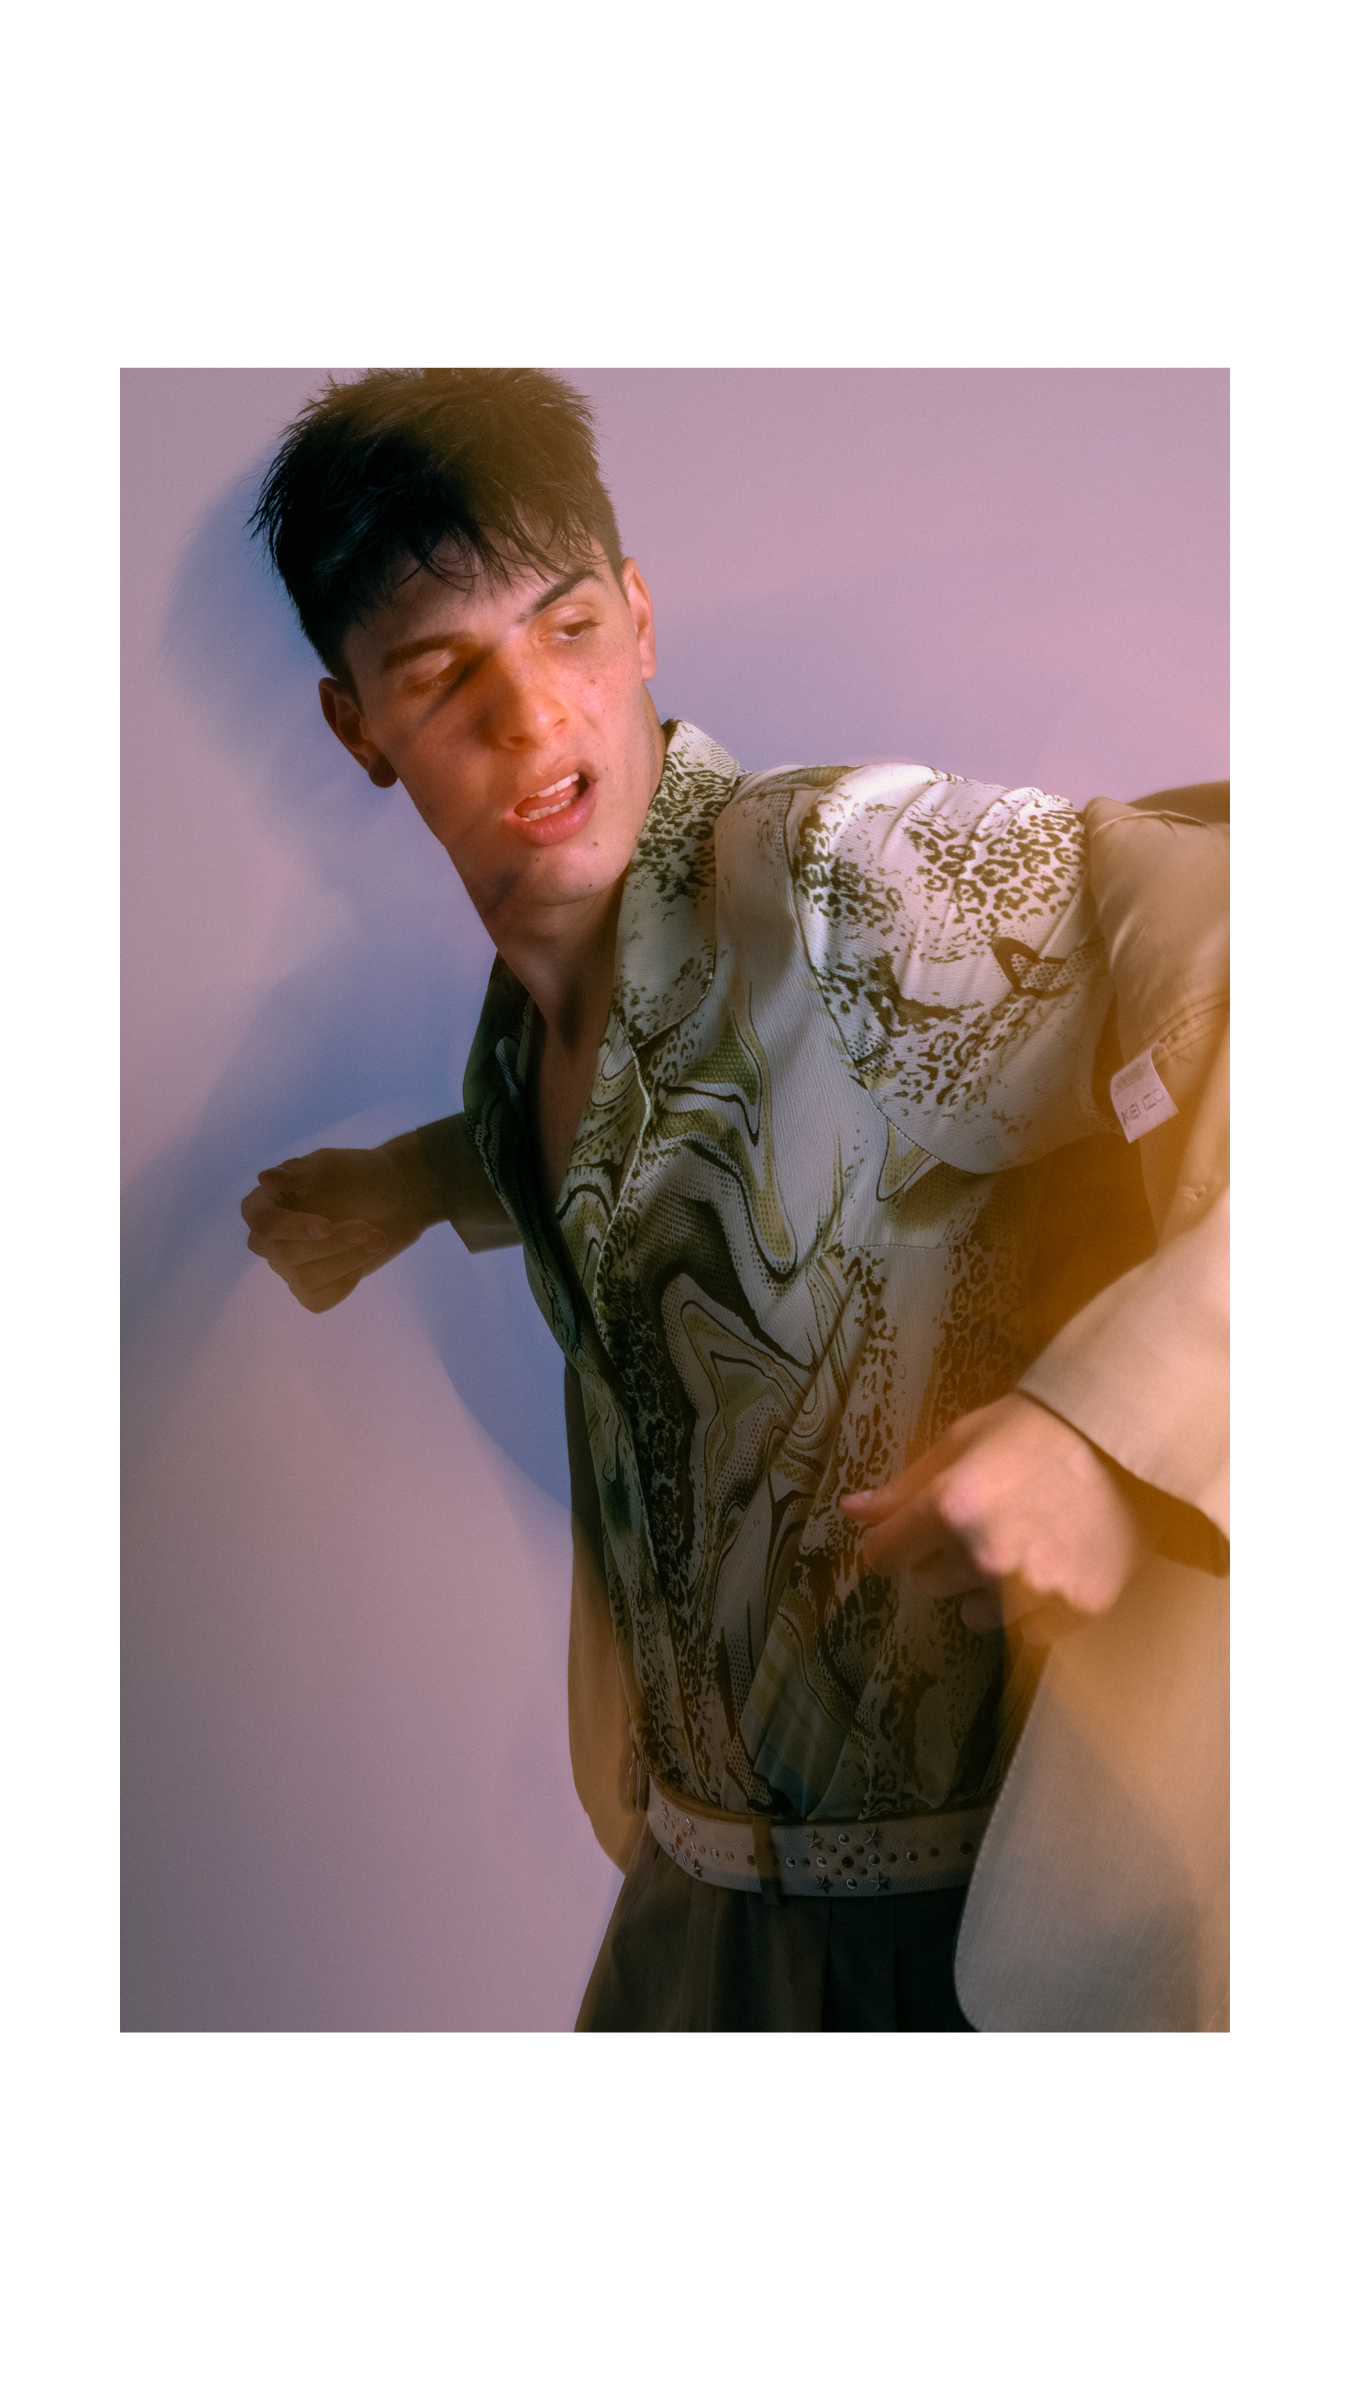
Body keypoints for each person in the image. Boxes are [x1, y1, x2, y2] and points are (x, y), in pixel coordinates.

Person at [241, 369, 1229, 2033]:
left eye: (564, 631)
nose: (530, 719)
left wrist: (1104, 1435)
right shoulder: (519, 1039)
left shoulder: (844, 885)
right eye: (442, 675)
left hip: (959, 1953)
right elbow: (673, 1129)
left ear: (637, 618)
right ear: (358, 730)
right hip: (684, 1903)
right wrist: (420, 1178)